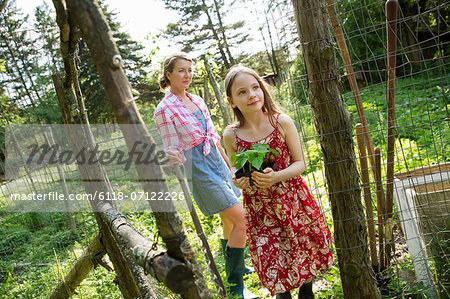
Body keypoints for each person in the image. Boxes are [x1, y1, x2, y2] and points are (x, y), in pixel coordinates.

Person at [223, 65, 334, 299]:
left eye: (255, 88)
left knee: (302, 254)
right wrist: (237, 178)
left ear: (263, 90)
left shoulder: (281, 122)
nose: (252, 95)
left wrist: (276, 176)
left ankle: (306, 292)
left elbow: (300, 163)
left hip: (292, 201)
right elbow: (236, 166)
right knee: (273, 260)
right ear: (231, 101)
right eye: (242, 92)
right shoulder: (231, 135)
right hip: (260, 208)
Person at [153, 53, 258, 299]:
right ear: (168, 75)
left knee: (230, 222)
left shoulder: (197, 100)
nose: (187, 75)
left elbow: (212, 137)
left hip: (217, 163)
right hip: (199, 171)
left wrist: (230, 166)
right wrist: (170, 156)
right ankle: (236, 287)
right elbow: (171, 147)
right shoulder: (164, 110)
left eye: (189, 70)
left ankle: (238, 267)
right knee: (241, 220)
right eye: (181, 70)